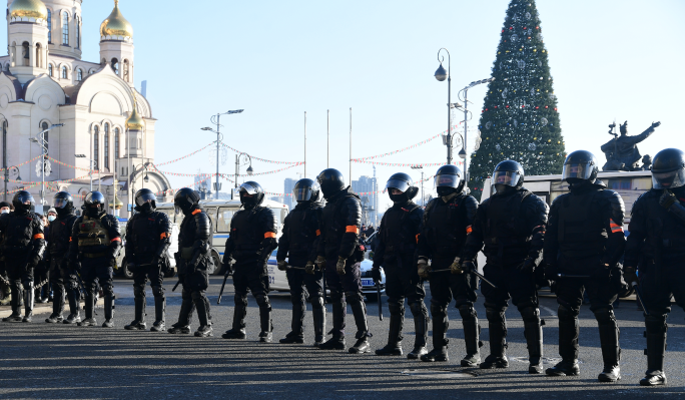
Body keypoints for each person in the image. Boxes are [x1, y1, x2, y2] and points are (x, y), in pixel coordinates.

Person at [544, 150, 626, 382]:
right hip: (568, 264)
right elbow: (550, 237)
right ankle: (569, 362)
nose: (574, 174)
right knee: (566, 312)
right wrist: (548, 263)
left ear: (591, 170)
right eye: (571, 169)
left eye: (579, 169)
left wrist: (608, 263)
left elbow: (617, 235)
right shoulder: (561, 202)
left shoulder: (607, 197)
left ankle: (612, 366)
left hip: (597, 263)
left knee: (603, 312)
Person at [460, 160, 549, 373]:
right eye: (500, 176)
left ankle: (536, 360)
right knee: (493, 311)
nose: (503, 180)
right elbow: (476, 236)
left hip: (520, 264)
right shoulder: (487, 206)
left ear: (518, 178)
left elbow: (541, 233)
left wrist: (533, 259)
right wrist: (466, 258)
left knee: (529, 311)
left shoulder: (530, 202)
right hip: (494, 265)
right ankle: (498, 355)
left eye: (508, 176)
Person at [624, 148, 685, 386]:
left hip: (682, 263)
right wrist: (628, 268)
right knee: (653, 318)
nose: (665, 179)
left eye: (668, 174)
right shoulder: (646, 200)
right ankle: (654, 371)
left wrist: (676, 208)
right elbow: (635, 237)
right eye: (660, 175)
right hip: (654, 265)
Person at [416, 165, 481, 365]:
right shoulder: (432, 205)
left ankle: (473, 353)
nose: (444, 184)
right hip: (438, 263)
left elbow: (473, 234)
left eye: (448, 180)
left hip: (460, 263)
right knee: (437, 307)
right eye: (441, 180)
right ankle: (439, 349)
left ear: (459, 182)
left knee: (465, 307)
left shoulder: (467, 202)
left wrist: (462, 258)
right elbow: (424, 236)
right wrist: (422, 260)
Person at [372, 173, 428, 359]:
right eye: (392, 190)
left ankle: (421, 345)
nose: (395, 193)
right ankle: (394, 344)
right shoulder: (388, 214)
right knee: (394, 305)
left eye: (398, 189)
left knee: (415, 304)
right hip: (392, 265)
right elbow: (381, 242)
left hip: (410, 265)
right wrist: (375, 265)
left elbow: (423, 241)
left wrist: (421, 262)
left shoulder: (416, 212)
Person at [315, 168, 371, 353]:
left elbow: (352, 232)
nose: (321, 187)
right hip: (331, 255)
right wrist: (321, 255)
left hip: (347, 257)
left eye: (323, 184)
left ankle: (364, 338)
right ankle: (338, 337)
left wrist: (343, 257)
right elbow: (323, 234)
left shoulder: (350, 201)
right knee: (336, 296)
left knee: (354, 295)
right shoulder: (330, 204)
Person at [221, 182, 278, 342]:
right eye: (243, 193)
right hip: (240, 262)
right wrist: (225, 260)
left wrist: (262, 261)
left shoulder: (266, 214)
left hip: (255, 261)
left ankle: (266, 331)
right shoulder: (238, 216)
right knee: (239, 297)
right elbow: (231, 240)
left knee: (261, 296)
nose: (245, 197)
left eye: (249, 194)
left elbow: (271, 241)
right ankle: (238, 328)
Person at [276, 179, 326, 346]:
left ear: (314, 193)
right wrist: (281, 257)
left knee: (316, 298)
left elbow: (321, 238)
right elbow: (285, 238)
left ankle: (320, 336)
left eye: (306, 192)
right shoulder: (292, 214)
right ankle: (297, 333)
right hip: (294, 262)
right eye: (300, 192)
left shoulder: (319, 212)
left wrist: (314, 259)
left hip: (310, 263)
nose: (302, 195)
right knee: (296, 298)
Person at [69, 191, 122, 328]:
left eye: (98, 203)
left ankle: (109, 319)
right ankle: (89, 318)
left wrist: (111, 256)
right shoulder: (79, 221)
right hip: (86, 259)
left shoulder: (108, 219)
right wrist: (72, 259)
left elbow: (117, 240)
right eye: (94, 203)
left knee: (107, 288)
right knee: (88, 288)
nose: (96, 206)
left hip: (103, 259)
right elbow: (74, 242)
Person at [124, 189, 172, 332]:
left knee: (157, 289)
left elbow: (165, 240)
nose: (148, 201)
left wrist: (158, 257)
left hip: (154, 260)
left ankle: (160, 321)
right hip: (139, 260)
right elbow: (129, 242)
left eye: (149, 198)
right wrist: (130, 260)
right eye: (144, 199)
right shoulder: (133, 220)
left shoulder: (161, 217)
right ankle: (139, 321)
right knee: (138, 290)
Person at [169, 188, 213, 337]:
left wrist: (194, 263)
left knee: (198, 293)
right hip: (187, 260)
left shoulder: (200, 217)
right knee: (187, 293)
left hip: (198, 262)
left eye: (181, 205)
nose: (180, 209)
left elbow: (202, 243)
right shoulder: (191, 216)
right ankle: (183, 324)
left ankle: (206, 325)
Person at [0, 191, 45, 323]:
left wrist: (36, 256)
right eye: (25, 201)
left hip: (26, 256)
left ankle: (29, 313)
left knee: (28, 283)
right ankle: (16, 312)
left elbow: (40, 240)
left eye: (29, 201)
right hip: (10, 255)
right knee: (14, 283)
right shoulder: (6, 218)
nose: (28, 203)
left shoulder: (34, 219)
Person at [44, 193, 80, 324]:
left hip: (67, 257)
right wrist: (47, 257)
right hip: (55, 256)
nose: (58, 205)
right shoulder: (55, 222)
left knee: (70, 285)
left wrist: (70, 256)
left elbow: (74, 240)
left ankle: (75, 313)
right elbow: (50, 241)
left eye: (61, 202)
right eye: (57, 202)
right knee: (56, 285)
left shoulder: (73, 220)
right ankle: (57, 313)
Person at [0, 201, 11, 306]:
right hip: (2, 250)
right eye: (2, 208)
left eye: (6, 208)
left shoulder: (12, 220)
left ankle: (8, 295)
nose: (4, 210)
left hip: (9, 251)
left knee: (6, 275)